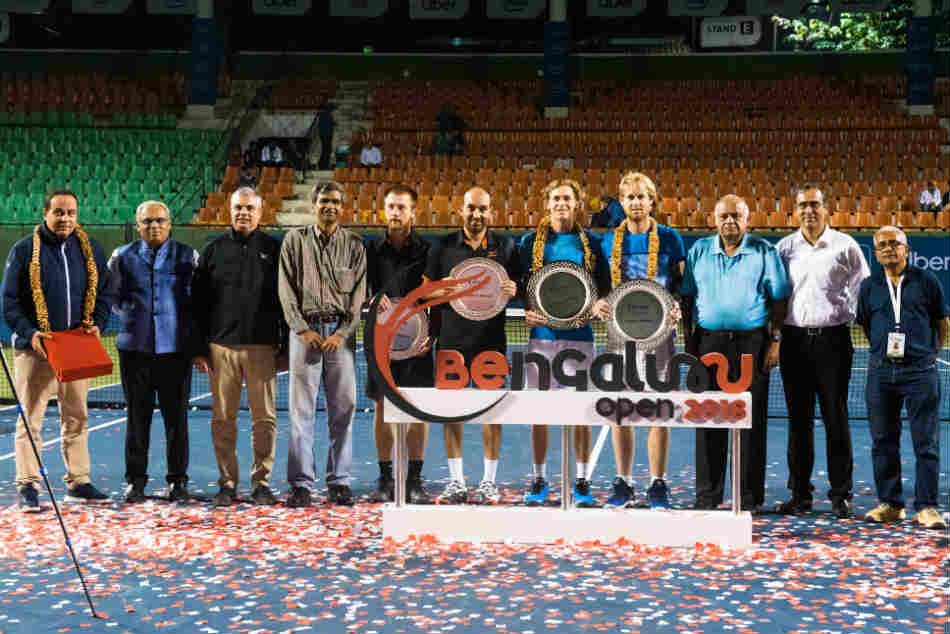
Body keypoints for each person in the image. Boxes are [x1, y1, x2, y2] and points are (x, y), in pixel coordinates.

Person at [2, 189, 114, 510]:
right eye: (59, 213)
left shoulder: (90, 249)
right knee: (31, 419)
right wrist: (30, 333)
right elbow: (8, 303)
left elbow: (104, 294)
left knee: (77, 416)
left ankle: (78, 481)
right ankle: (28, 484)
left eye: (71, 213)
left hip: (77, 346)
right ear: (45, 213)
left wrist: (99, 323)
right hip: (36, 348)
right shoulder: (24, 250)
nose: (66, 219)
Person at [681, 194, 790, 512]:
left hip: (751, 346)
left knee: (750, 421)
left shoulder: (765, 251)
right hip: (708, 343)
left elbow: (780, 299)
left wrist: (776, 340)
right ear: (714, 220)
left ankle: (749, 497)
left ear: (747, 220)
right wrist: (689, 344)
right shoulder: (699, 250)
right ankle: (708, 496)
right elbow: (688, 297)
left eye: (736, 216)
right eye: (724, 216)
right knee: (708, 417)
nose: (729, 221)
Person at [774, 185, 870, 519]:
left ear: (826, 208)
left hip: (834, 342)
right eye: (803, 205)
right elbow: (776, 295)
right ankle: (800, 495)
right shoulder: (784, 248)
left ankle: (840, 494)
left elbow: (862, 290)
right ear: (795, 210)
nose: (809, 210)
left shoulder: (846, 246)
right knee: (798, 422)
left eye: (815, 205)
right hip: (794, 342)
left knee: (836, 418)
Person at [592, 172, 686, 510]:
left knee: (660, 409)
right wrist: (597, 301)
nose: (635, 203)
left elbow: (680, 284)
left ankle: (658, 484)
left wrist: (677, 304)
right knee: (621, 410)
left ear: (652, 201)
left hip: (661, 334)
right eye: (629, 197)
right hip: (620, 334)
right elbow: (599, 285)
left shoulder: (672, 239)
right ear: (621, 202)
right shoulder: (606, 243)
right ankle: (624, 483)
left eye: (641, 197)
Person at [424, 187, 519, 505]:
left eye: (483, 209)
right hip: (451, 341)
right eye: (471, 209)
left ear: (491, 212)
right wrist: (452, 291)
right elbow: (426, 294)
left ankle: (489, 482)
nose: (477, 215)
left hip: (491, 342)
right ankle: (456, 482)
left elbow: (516, 288)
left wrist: (512, 288)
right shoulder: (441, 247)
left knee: (491, 412)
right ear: (460, 209)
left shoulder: (506, 246)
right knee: (452, 414)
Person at [192, 187, 285, 508]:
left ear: (260, 213)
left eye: (249, 208)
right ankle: (227, 484)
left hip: (262, 348)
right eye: (238, 208)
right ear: (229, 211)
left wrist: (283, 346)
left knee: (265, 421)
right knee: (223, 420)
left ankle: (261, 483)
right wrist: (199, 349)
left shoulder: (275, 249)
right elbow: (198, 303)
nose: (243, 213)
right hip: (221, 349)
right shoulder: (213, 250)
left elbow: (284, 302)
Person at [519, 179, 609, 508]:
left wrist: (599, 305)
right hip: (542, 340)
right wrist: (524, 311)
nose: (561, 204)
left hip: (580, 339)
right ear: (547, 203)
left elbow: (602, 287)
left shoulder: (593, 244)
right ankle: (539, 478)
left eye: (566, 198)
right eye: (555, 198)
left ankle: (582, 481)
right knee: (539, 412)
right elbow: (519, 287)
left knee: (582, 412)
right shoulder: (530, 242)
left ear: (577, 203)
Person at [279, 181, 367, 508]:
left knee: (344, 410)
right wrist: (302, 330)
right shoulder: (294, 241)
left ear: (342, 208)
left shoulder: (355, 246)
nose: (329, 206)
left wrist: (341, 334)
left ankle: (339, 482)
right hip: (305, 336)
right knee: (301, 413)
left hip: (340, 339)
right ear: (313, 205)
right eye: (323, 201)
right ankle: (301, 484)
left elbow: (358, 299)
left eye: (335, 202)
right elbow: (286, 292)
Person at [856, 226, 948, 529]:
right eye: (882, 245)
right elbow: (867, 325)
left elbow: (941, 321)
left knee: (926, 441)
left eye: (895, 244)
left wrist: (930, 353)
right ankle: (891, 504)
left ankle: (927, 507)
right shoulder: (870, 286)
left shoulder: (926, 281)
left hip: (920, 371)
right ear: (876, 252)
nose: (888, 249)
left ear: (906, 249)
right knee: (883, 440)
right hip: (881, 372)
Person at [108, 200, 199, 503]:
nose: (154, 225)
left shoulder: (188, 256)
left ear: (170, 223)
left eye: (160, 220)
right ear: (138, 226)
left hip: (176, 351)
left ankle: (178, 482)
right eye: (147, 221)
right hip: (135, 351)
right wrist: (137, 318)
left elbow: (196, 301)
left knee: (177, 420)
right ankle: (135, 481)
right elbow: (114, 297)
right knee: (137, 418)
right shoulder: (121, 257)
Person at [365, 185, 433, 504]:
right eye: (390, 206)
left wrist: (429, 335)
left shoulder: (427, 251)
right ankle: (385, 477)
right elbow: (362, 296)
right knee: (382, 409)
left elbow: (436, 295)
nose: (395, 212)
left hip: (418, 346)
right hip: (381, 345)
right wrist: (370, 303)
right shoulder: (370, 250)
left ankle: (415, 479)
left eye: (401, 207)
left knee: (417, 410)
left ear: (413, 213)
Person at [317, 101, 336, 170]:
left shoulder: (325, 115)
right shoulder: (325, 114)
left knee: (326, 150)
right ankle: (323, 164)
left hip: (326, 135)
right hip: (326, 135)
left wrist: (333, 123)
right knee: (326, 150)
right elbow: (324, 126)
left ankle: (323, 164)